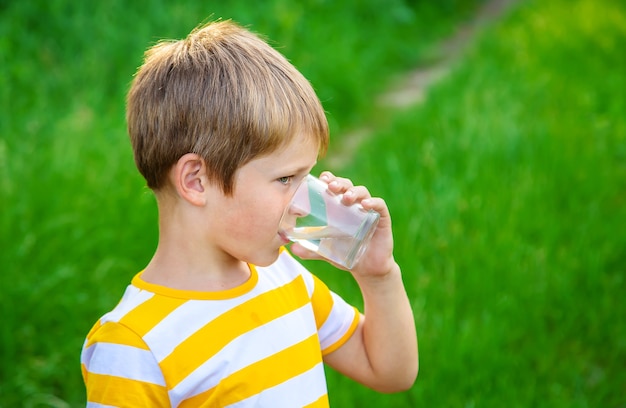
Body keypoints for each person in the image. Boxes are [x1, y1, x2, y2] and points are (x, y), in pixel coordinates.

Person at [80, 19, 418, 407]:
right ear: (196, 181)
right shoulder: (134, 347)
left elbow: (391, 372)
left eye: (305, 177)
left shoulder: (285, 279)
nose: (305, 204)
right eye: (286, 179)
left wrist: (378, 275)